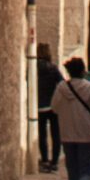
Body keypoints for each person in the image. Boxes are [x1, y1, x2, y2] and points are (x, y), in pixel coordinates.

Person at [35, 42, 63, 171]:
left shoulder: (34, 67)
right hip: (54, 105)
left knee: (42, 134)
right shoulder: (53, 68)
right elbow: (62, 83)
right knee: (55, 134)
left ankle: (45, 159)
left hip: (39, 105)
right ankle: (55, 161)